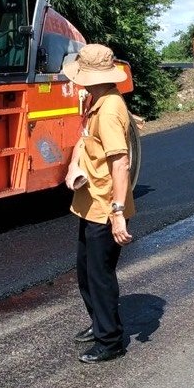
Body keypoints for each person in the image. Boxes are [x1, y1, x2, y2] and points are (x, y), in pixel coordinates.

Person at [62, 43, 135, 364]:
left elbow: (121, 163)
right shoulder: (97, 101)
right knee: (85, 271)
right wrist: (73, 166)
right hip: (89, 202)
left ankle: (111, 341)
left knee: (100, 275)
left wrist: (118, 213)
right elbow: (83, 139)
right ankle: (98, 324)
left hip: (106, 208)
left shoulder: (109, 110)